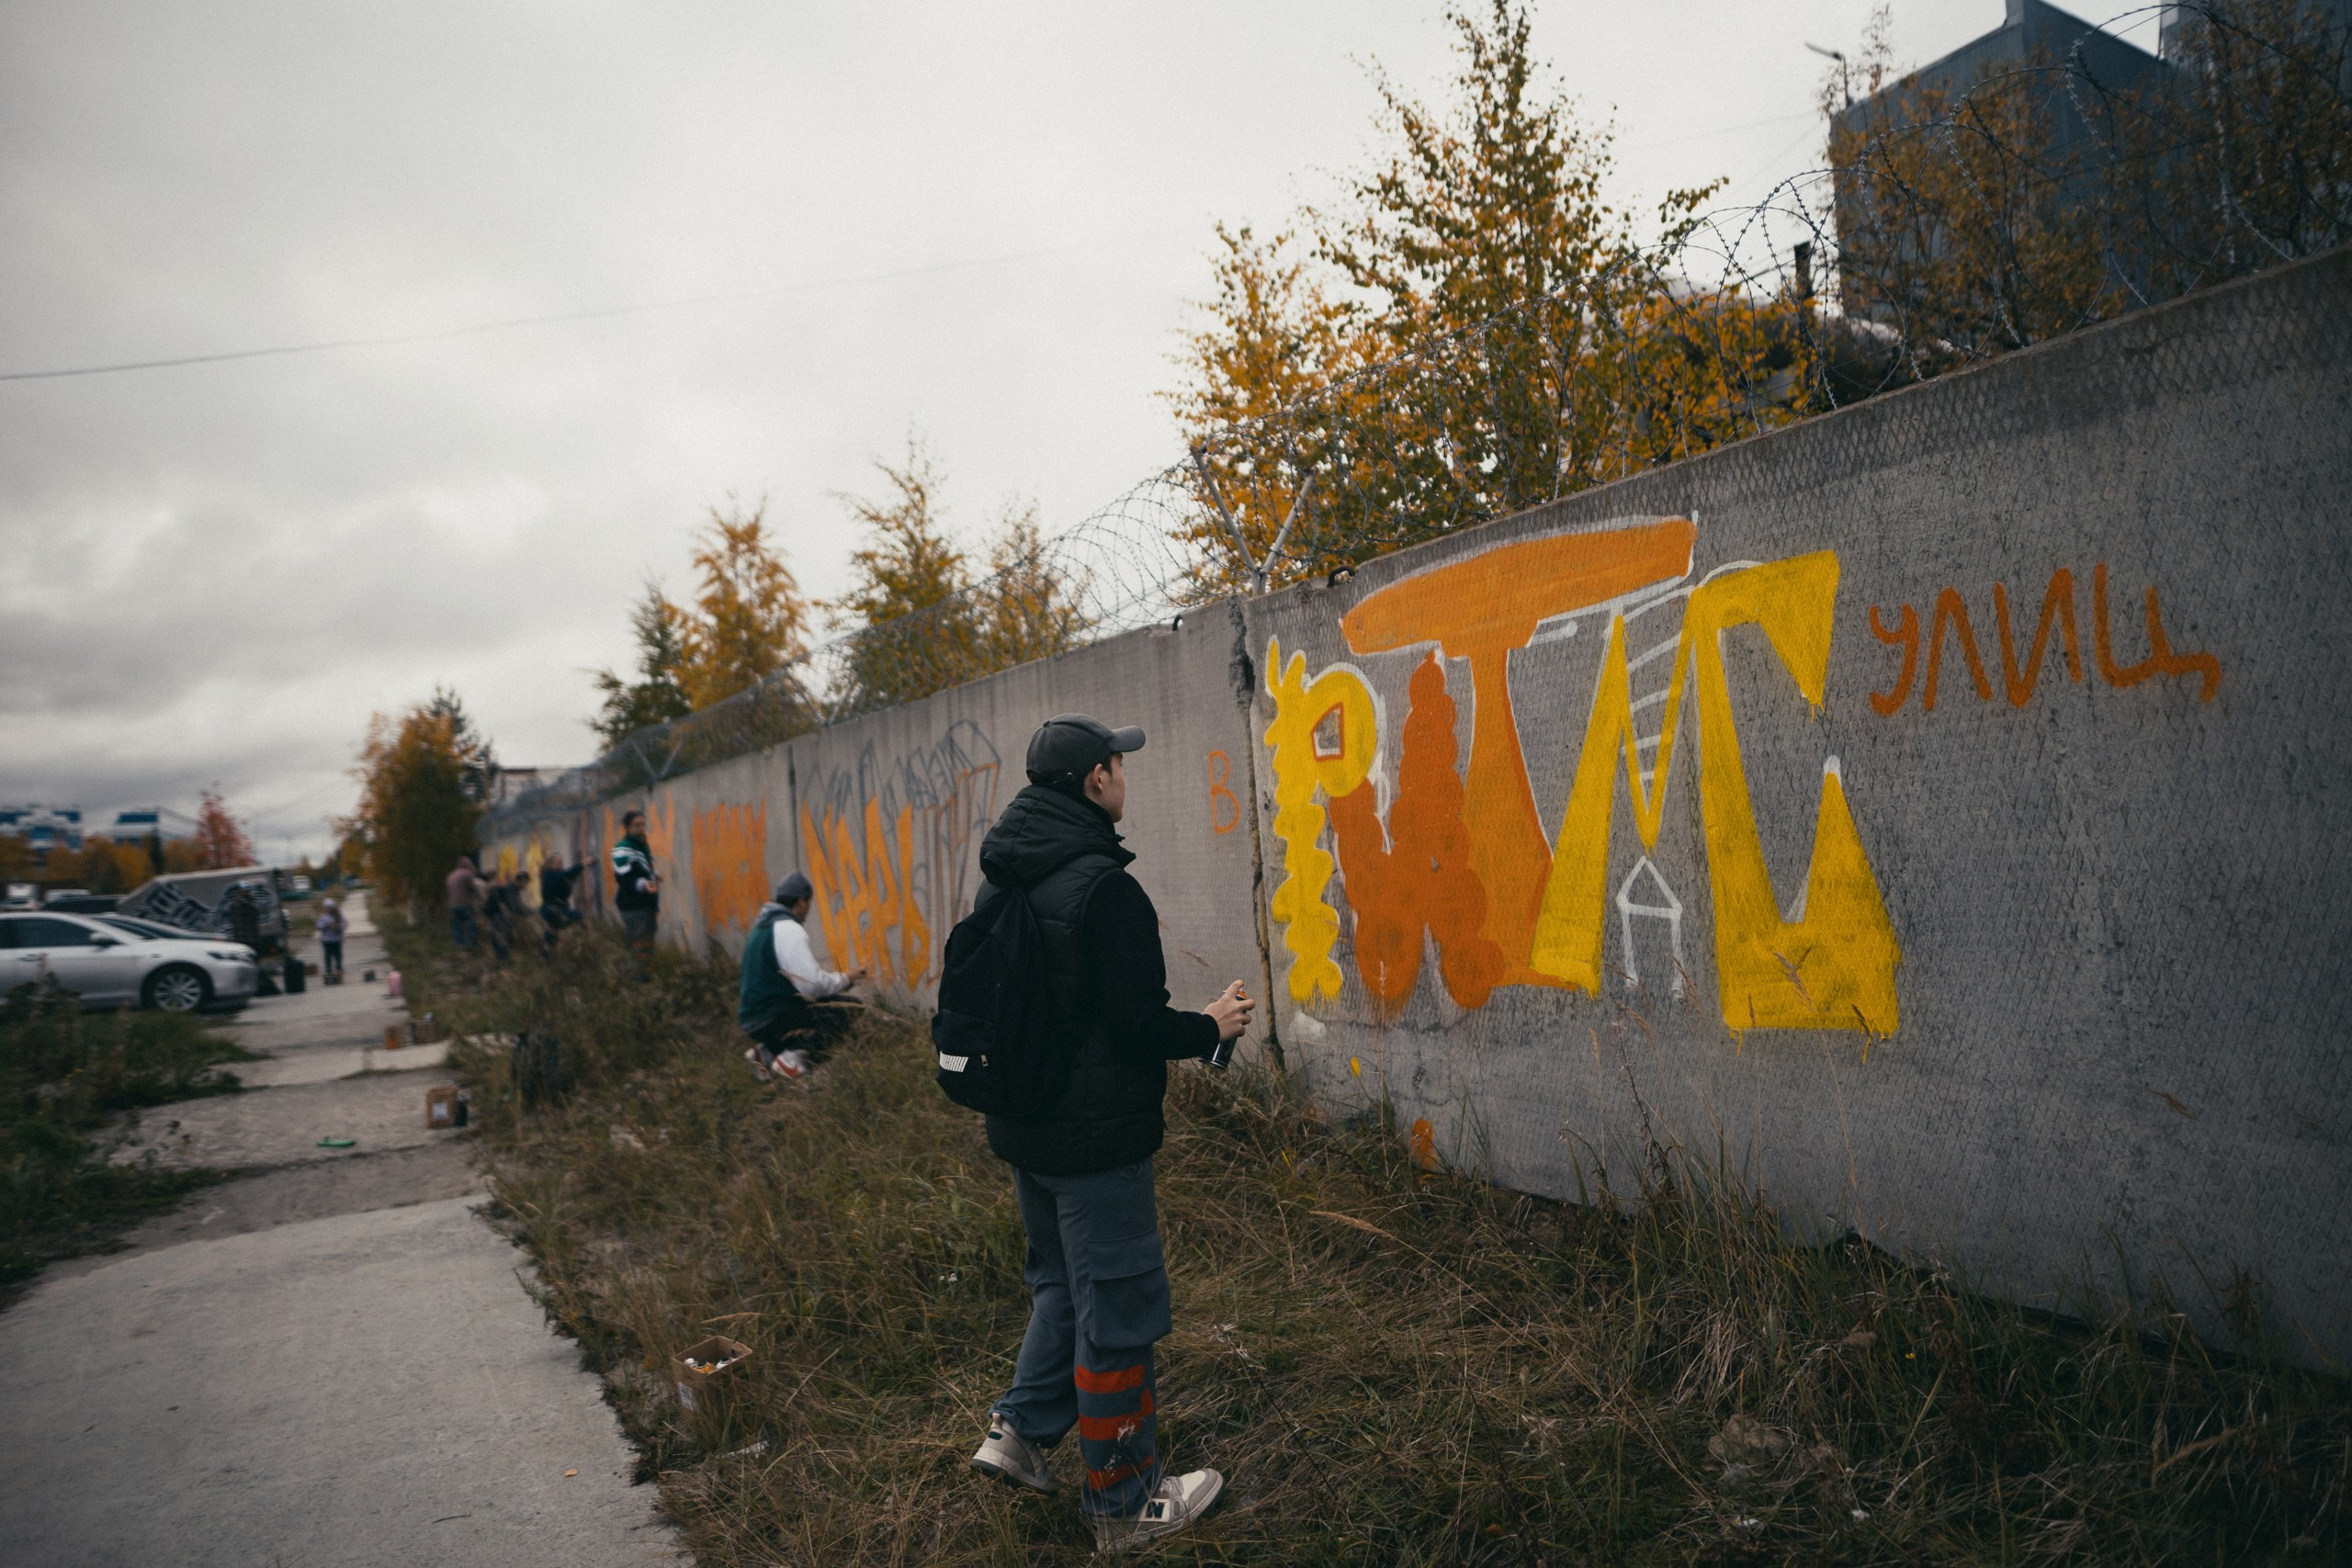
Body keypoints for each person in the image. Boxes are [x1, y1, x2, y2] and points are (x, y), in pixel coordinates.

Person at [965, 713, 1254, 1551]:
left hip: (1026, 1133)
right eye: (1116, 764)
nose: (1124, 775)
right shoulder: (1105, 887)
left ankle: (1016, 1433)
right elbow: (1132, 1025)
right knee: (1116, 1310)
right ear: (1095, 781)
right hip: (1095, 1145)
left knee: (1059, 1286)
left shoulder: (1004, 879)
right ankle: (1124, 1505)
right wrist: (1210, 1027)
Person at [736, 872, 867, 1082]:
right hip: (770, 1016)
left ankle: (766, 1053)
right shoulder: (788, 929)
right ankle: (790, 1060)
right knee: (846, 1011)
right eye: (809, 902)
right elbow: (811, 985)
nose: (808, 909)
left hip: (754, 1017)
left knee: (811, 1012)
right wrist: (846, 978)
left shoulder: (764, 924)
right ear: (801, 901)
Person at [610, 810, 660, 979]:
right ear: (627, 827)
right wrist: (642, 883)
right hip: (632, 904)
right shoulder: (622, 848)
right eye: (637, 825)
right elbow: (623, 877)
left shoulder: (641, 844)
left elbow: (644, 868)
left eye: (643, 824)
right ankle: (639, 982)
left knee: (646, 944)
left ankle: (644, 980)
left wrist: (653, 876)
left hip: (646, 902)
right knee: (639, 945)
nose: (641, 828)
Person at [537, 854, 582, 950]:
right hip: (552, 910)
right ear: (550, 864)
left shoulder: (556, 874)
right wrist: (582, 864)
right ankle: (546, 955)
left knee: (551, 936)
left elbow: (567, 877)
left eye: (560, 862)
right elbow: (567, 874)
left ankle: (546, 957)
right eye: (557, 862)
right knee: (576, 916)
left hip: (556, 909)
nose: (560, 863)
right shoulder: (550, 873)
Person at [446, 855, 481, 951]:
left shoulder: (451, 875)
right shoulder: (467, 874)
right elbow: (473, 888)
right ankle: (470, 946)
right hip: (464, 904)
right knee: (470, 923)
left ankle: (459, 945)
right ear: (468, 865)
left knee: (457, 925)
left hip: (452, 905)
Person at [314, 897, 346, 980]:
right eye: (327, 907)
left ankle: (338, 969)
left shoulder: (339, 915)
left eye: (330, 907)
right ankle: (328, 970)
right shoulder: (323, 917)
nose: (328, 909)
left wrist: (337, 926)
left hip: (336, 939)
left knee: (338, 956)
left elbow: (345, 924)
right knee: (327, 956)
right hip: (327, 940)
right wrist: (326, 925)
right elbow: (318, 926)